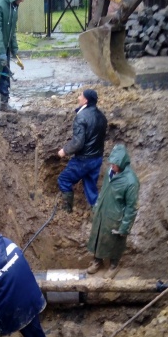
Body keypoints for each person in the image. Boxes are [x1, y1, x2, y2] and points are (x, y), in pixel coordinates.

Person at [86, 144, 140, 279]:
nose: (112, 166)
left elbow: (131, 207)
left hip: (116, 217)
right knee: (99, 238)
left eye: (115, 164)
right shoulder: (110, 173)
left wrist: (125, 226)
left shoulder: (131, 181)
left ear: (122, 163)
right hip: (102, 212)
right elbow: (103, 190)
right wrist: (97, 206)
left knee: (116, 243)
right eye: (111, 163)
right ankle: (98, 261)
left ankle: (114, 265)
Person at [57, 89, 107, 213]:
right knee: (90, 186)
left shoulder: (81, 117)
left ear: (86, 100)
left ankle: (66, 211)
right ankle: (96, 214)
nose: (78, 97)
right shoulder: (102, 116)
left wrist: (64, 150)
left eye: (80, 96)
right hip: (97, 158)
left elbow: (78, 143)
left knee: (64, 180)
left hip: (83, 159)